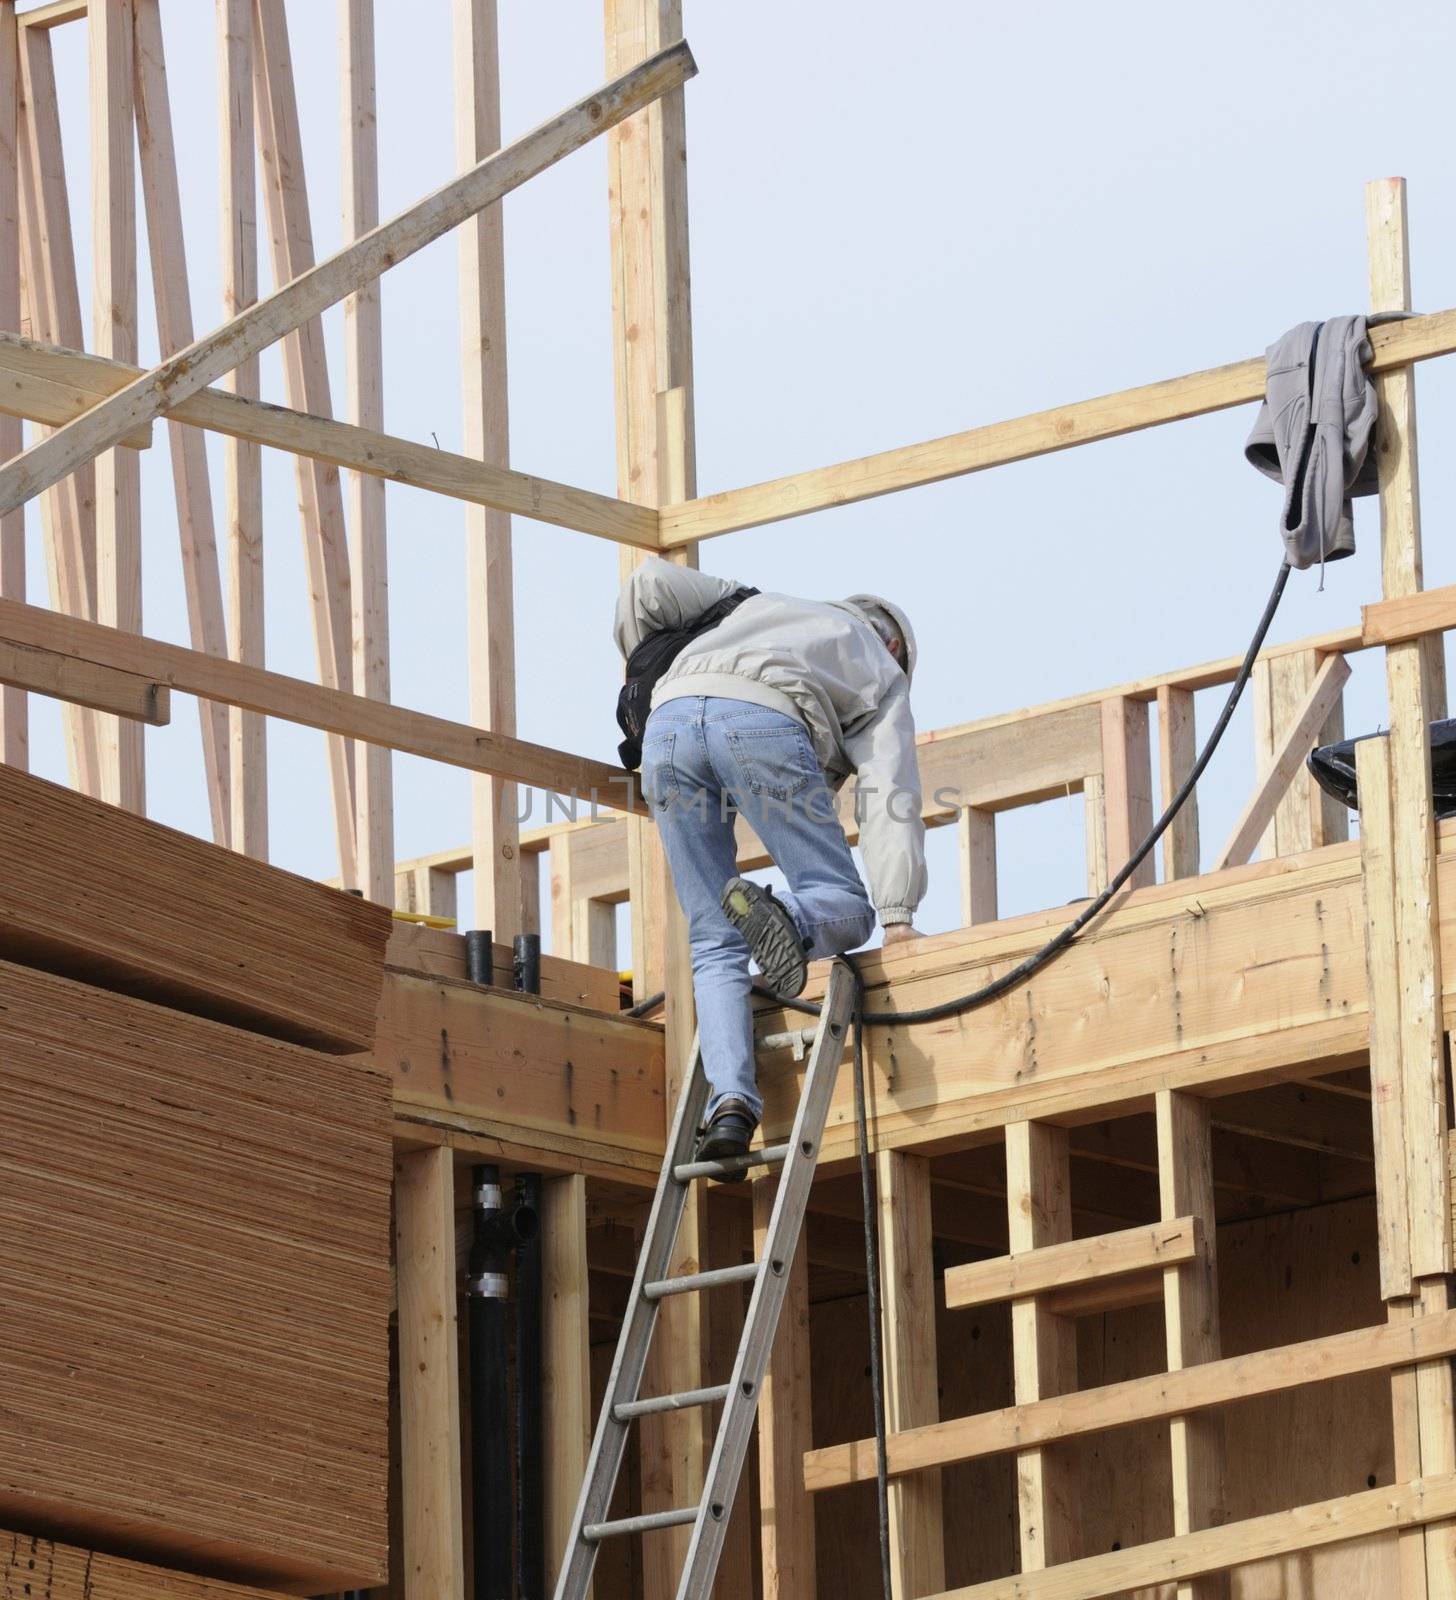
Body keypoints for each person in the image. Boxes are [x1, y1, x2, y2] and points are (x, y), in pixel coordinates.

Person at [613, 557, 926, 1173]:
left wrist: (640, 676)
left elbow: (647, 585)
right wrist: (899, 915)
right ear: (894, 644)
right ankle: (787, 913)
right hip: (759, 722)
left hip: (666, 729)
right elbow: (893, 793)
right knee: (843, 904)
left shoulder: (753, 603)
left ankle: (730, 1103)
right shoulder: (880, 667)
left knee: (713, 940)